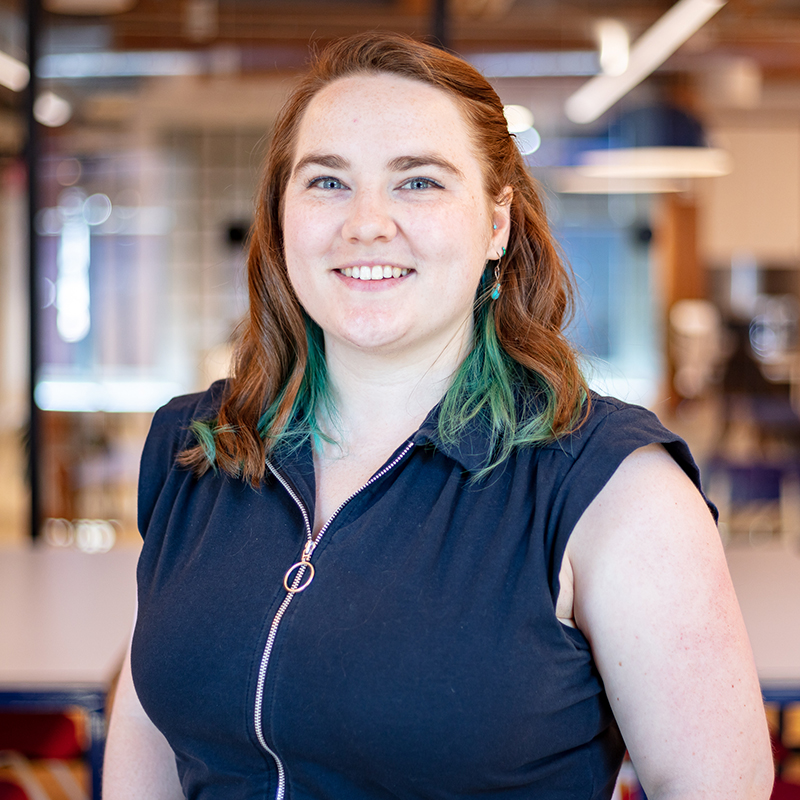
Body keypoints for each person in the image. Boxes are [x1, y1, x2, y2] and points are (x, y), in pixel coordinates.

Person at [103, 31, 773, 800]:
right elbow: (149, 741)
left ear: (497, 223)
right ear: (281, 215)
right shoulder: (198, 450)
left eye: (418, 182)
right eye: (326, 182)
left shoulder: (613, 489)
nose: (366, 223)